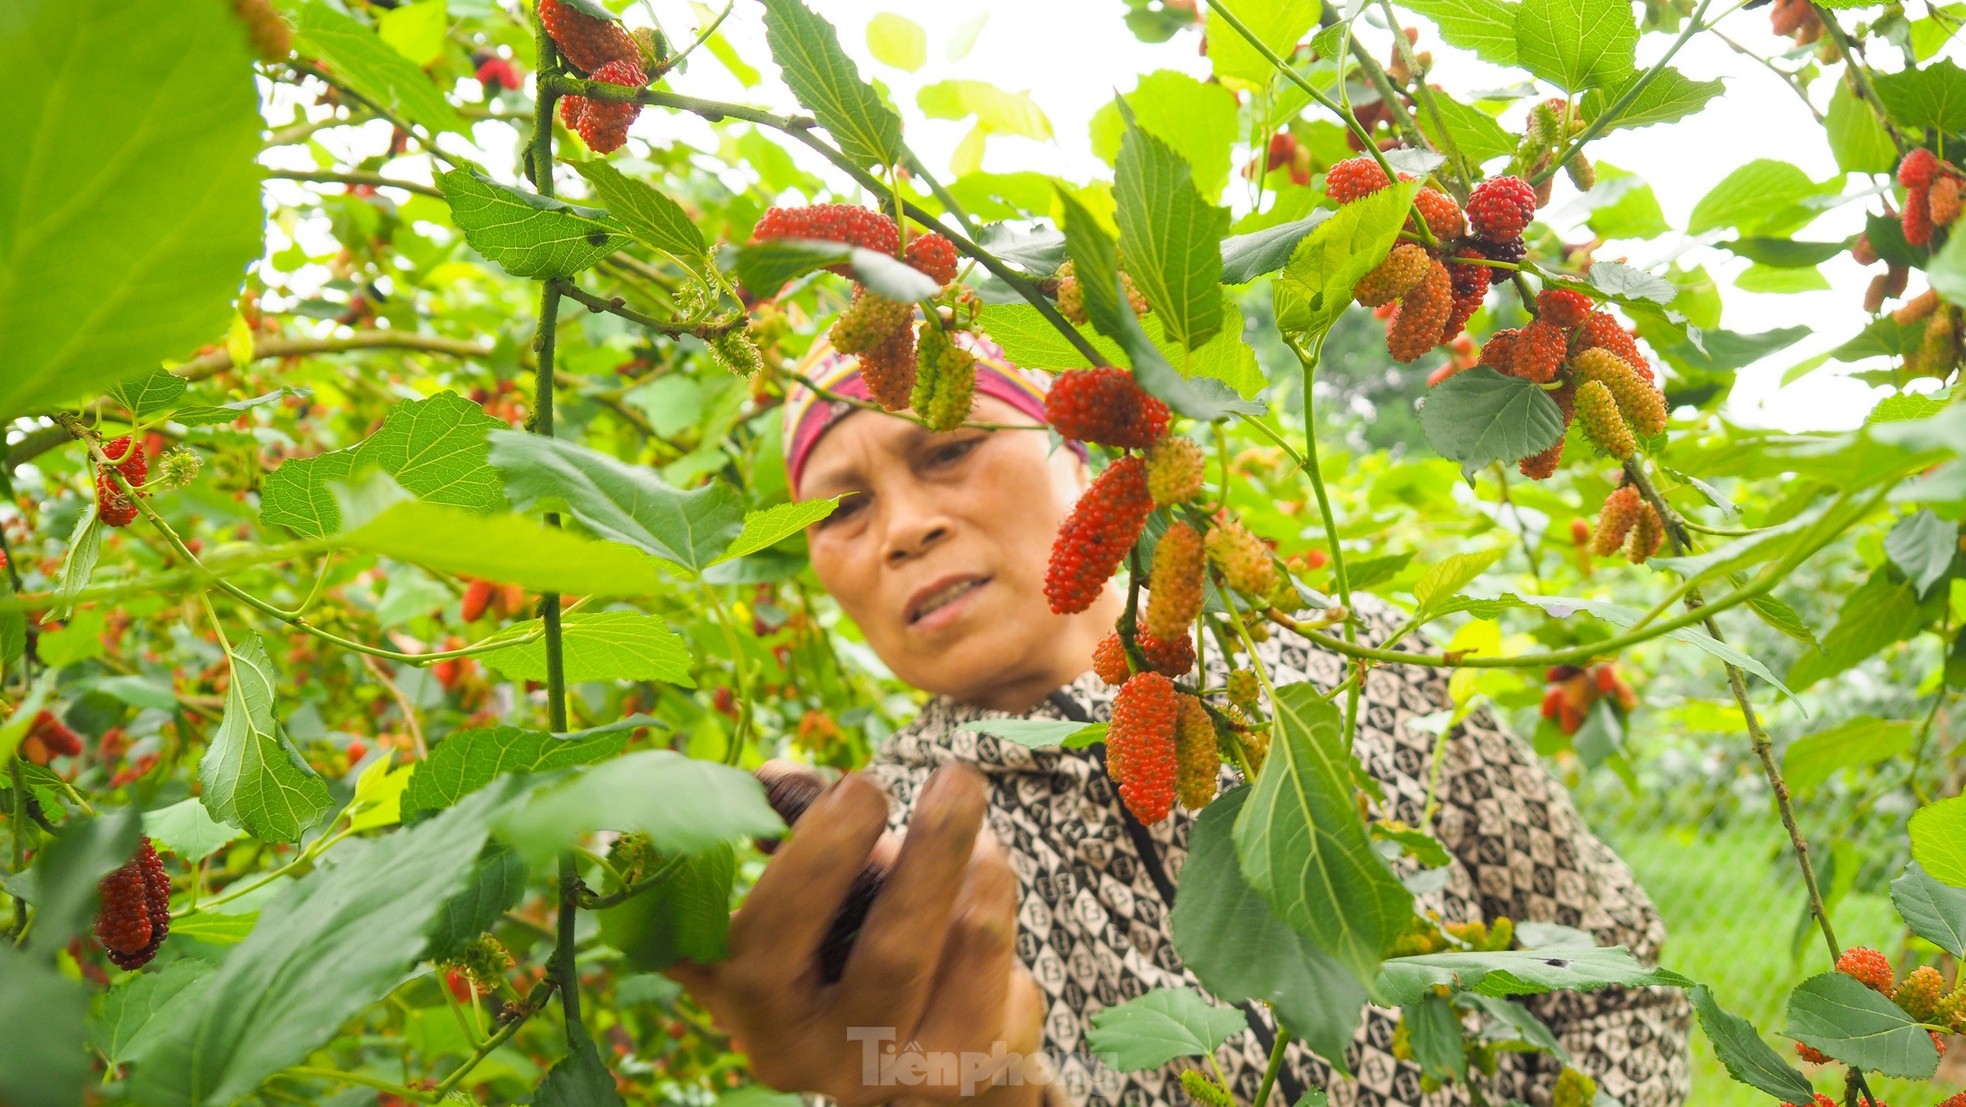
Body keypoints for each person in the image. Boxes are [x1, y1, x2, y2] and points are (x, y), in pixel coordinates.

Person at [664, 333, 1693, 1107]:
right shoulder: (892, 856)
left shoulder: (1357, 671)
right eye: (841, 508)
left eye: (946, 449)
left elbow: (1610, 976)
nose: (903, 526)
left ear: (1080, 459)